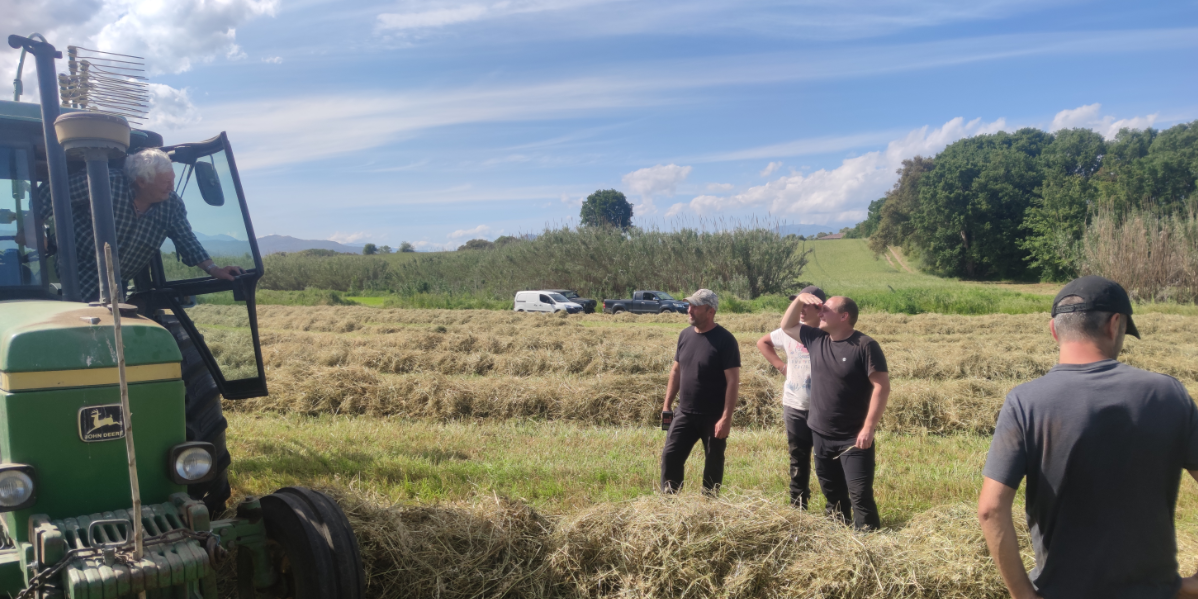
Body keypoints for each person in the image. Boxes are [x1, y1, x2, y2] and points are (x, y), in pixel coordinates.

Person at [978, 276, 1198, 599]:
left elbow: (990, 510)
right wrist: (1188, 586)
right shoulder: (1169, 395)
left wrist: (1024, 595)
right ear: (1115, 324)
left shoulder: (1025, 402)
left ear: (1054, 330)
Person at [37, 148, 242, 302]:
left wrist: (214, 269)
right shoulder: (104, 183)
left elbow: (187, 240)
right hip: (77, 274)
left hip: (119, 283)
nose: (172, 187)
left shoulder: (172, 205)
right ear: (142, 181)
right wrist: (35, 227)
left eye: (172, 180)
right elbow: (52, 192)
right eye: (165, 182)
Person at [781, 292, 889, 530]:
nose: (819, 313)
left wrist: (868, 428)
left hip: (853, 437)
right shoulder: (816, 338)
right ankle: (838, 535)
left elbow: (882, 386)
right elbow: (786, 325)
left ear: (844, 316)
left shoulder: (865, 345)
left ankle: (869, 543)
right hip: (820, 433)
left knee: (860, 496)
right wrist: (799, 299)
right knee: (832, 493)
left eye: (825, 310)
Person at [661, 288, 741, 495]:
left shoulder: (725, 340)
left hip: (713, 416)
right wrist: (667, 405)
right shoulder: (685, 335)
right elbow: (676, 371)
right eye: (689, 306)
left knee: (713, 462)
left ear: (710, 311)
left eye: (695, 307)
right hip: (684, 413)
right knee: (671, 455)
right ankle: (670, 500)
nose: (690, 310)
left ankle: (709, 503)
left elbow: (733, 381)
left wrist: (726, 418)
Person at [756, 285, 826, 508]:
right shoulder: (788, 332)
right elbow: (763, 342)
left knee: (825, 461)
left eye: (805, 305)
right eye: (797, 305)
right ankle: (798, 507)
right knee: (798, 458)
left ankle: (835, 510)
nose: (801, 310)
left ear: (819, 307)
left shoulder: (829, 333)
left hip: (822, 408)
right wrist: (781, 366)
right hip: (794, 405)